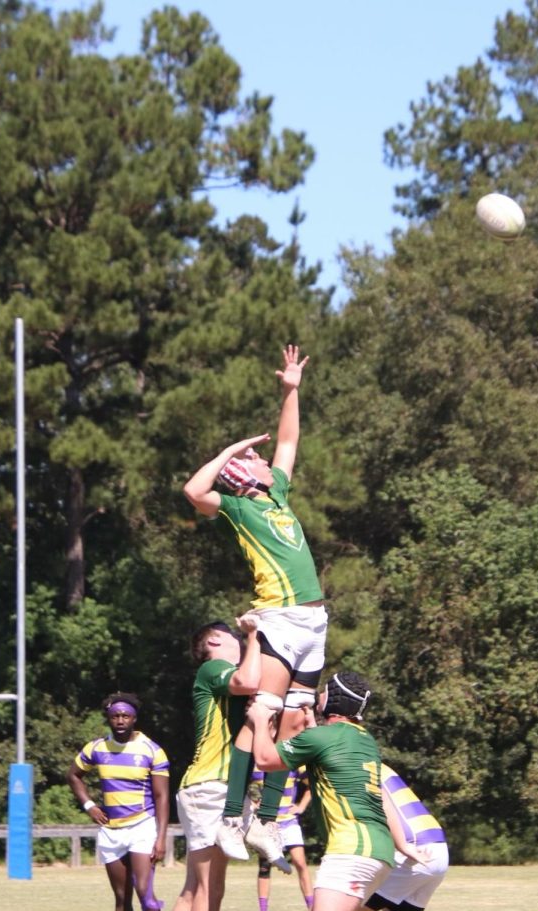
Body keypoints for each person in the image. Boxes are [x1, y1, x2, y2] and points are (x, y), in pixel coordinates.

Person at [182, 344, 325, 866]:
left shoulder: (278, 494)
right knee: (259, 715)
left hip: (314, 621)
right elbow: (194, 489)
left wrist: (291, 389)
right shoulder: (239, 506)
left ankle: (267, 821)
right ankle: (229, 819)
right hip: (280, 618)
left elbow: (288, 439)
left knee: (293, 722)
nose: (266, 459)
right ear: (245, 475)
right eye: (256, 459)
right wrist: (232, 450)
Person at [245, 671, 430, 911]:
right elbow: (379, 795)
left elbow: (265, 759)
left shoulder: (322, 738)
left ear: (334, 700)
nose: (318, 695)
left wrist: (259, 719)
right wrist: (403, 845)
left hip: (352, 850)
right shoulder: (365, 741)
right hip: (379, 850)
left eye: (324, 691)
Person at [172, 620, 261, 911]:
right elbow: (247, 681)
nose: (239, 641)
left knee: (202, 888)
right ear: (213, 642)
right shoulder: (213, 667)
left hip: (214, 788)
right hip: (209, 786)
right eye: (233, 636)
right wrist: (253, 633)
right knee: (208, 888)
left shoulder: (224, 678)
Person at [68, 692, 170, 911]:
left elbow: (162, 797)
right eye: (115, 716)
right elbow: (73, 776)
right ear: (108, 718)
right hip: (111, 831)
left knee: (147, 898)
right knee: (122, 901)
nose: (120, 720)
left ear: (134, 718)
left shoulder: (152, 750)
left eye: (126, 716)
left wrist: (161, 838)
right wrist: (89, 806)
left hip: (142, 826)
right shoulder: (96, 748)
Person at [364, 765, 449, 911]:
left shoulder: (351, 764)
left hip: (412, 850)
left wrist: (403, 845)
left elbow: (380, 800)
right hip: (438, 848)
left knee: (349, 905)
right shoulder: (372, 761)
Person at [253, 766, 315, 911]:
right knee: (264, 867)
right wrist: (253, 804)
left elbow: (312, 784)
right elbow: (245, 789)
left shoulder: (294, 763)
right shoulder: (256, 764)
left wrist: (301, 806)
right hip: (265, 822)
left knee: (300, 862)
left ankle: (312, 907)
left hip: (289, 821)